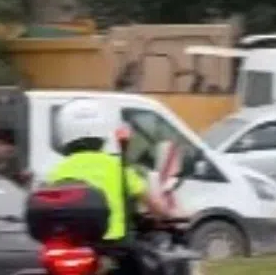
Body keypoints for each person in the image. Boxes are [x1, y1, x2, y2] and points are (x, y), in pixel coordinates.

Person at [45, 98, 177, 242]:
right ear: (102, 134)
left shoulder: (56, 171)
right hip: (114, 245)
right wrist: (167, 214)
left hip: (73, 243)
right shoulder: (117, 167)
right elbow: (154, 204)